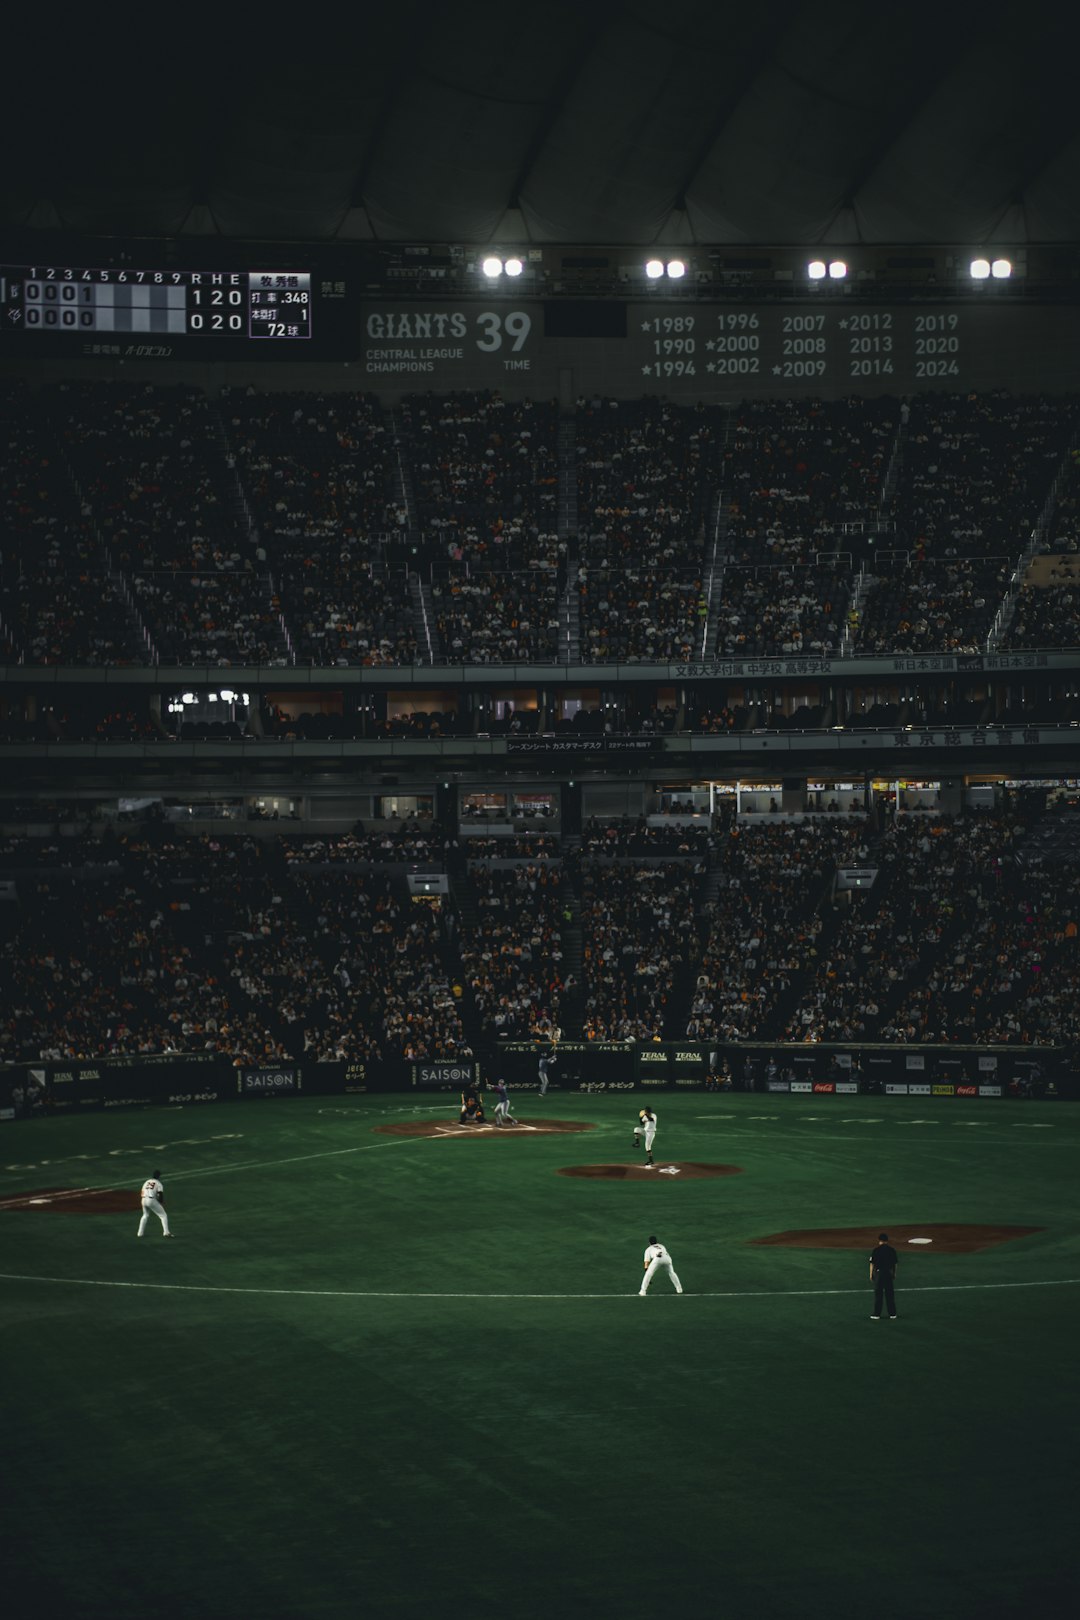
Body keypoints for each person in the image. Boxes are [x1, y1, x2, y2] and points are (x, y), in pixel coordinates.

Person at [869, 1232, 898, 1319]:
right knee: (890, 1294)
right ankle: (892, 1314)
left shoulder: (876, 1250)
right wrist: (894, 1273)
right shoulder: (892, 1250)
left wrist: (871, 1274)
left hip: (879, 1274)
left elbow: (872, 1264)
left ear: (879, 1240)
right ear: (887, 1240)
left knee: (879, 1294)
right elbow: (895, 1263)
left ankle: (877, 1314)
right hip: (888, 1273)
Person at [137, 1171, 173, 1239]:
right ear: (159, 1176)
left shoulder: (146, 1182)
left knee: (145, 1215)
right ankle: (166, 1232)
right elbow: (160, 1194)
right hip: (151, 1200)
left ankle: (140, 1233)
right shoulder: (158, 1183)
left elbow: (142, 1191)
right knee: (163, 1215)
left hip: (143, 1200)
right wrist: (161, 1202)